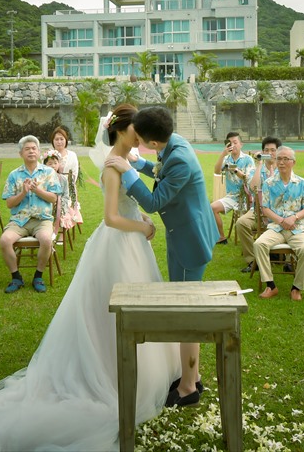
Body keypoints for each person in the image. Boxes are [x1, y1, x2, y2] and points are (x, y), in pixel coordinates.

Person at [0, 104, 179, 451]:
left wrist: (141, 218)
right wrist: (144, 226)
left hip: (134, 245)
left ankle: (151, 371)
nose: (141, 136)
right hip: (119, 243)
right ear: (121, 131)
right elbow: (109, 217)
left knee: (139, 307)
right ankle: (109, 371)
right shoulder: (111, 166)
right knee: (109, 313)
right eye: (136, 129)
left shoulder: (128, 159)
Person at [106, 106, 215, 408]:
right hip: (185, 232)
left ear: (153, 142)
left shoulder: (179, 158)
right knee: (185, 307)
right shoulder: (174, 142)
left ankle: (189, 387)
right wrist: (138, 163)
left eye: (140, 140)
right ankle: (192, 373)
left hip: (189, 241)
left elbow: (154, 201)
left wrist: (128, 171)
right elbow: (160, 172)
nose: (136, 141)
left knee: (185, 314)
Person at [0, 136, 62, 294]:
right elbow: (9, 203)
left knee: (46, 239)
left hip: (42, 219)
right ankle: (16, 277)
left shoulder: (48, 172)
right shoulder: (14, 175)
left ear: (39, 152)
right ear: (21, 153)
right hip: (20, 220)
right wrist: (24, 192)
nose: (31, 151)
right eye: (27, 149)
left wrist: (37, 190)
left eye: (34, 148)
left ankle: (38, 276)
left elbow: (54, 198)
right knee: (5, 240)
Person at [253, 147, 304, 301]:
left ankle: (297, 288)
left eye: (285, 159)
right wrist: (281, 220)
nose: (281, 162)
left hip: (297, 228)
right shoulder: (269, 183)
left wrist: (294, 217)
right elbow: (265, 208)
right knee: (259, 244)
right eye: (279, 158)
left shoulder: (301, 183)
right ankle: (271, 285)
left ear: (293, 162)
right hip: (276, 228)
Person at [234, 136, 282, 273]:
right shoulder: (256, 169)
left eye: (273, 150)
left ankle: (285, 256)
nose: (270, 153)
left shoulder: (283, 168)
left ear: (278, 152)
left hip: (278, 212)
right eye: (266, 150)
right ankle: (253, 260)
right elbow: (251, 188)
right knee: (241, 223)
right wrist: (259, 165)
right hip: (257, 210)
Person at [211, 131, 255, 245]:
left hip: (246, 197)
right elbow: (216, 171)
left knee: (243, 221)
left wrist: (235, 170)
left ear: (241, 144)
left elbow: (248, 179)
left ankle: (251, 241)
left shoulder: (248, 159)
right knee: (212, 208)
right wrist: (222, 154)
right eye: (230, 143)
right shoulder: (226, 159)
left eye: (235, 142)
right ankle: (221, 237)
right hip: (231, 196)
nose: (233, 145)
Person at [51, 126, 83, 229]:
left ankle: (63, 230)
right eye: (56, 139)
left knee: (65, 202)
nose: (59, 142)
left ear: (66, 140)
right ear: (53, 141)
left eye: (61, 139)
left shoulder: (72, 155)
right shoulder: (50, 155)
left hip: (68, 188)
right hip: (52, 187)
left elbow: (74, 175)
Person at [42, 149, 75, 234]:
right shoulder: (42, 179)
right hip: (45, 206)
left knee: (63, 215)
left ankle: (58, 235)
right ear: (44, 165)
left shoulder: (63, 179)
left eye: (55, 163)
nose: (53, 166)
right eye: (50, 164)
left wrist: (60, 207)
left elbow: (66, 196)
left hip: (60, 206)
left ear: (59, 164)